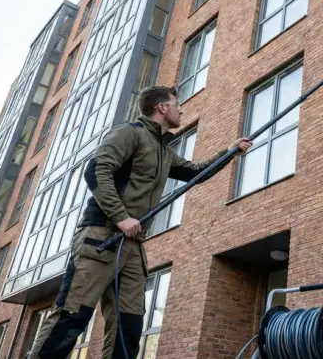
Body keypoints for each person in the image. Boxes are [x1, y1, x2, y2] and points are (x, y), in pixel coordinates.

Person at [29, 86, 252, 358]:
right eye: (177, 103)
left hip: (132, 247)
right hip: (101, 237)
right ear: (162, 107)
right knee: (72, 315)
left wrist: (229, 152)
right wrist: (121, 217)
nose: (181, 109)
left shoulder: (164, 151)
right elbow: (96, 171)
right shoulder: (129, 133)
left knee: (129, 327)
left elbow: (196, 173)